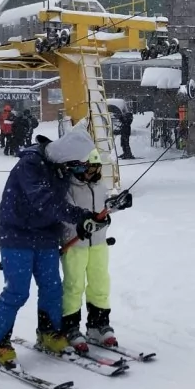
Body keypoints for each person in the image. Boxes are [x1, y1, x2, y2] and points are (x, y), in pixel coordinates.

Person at [0, 128, 109, 366]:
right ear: (66, 157)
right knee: (17, 291)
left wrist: (84, 222)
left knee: (52, 287)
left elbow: (66, 202)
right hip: (16, 232)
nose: (79, 171)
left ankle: (48, 332)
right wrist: (80, 216)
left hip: (47, 233)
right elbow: (45, 201)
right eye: (77, 166)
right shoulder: (31, 165)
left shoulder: (61, 166)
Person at [60, 149, 132, 350]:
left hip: (98, 243)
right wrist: (82, 225)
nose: (92, 173)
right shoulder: (69, 187)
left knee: (100, 283)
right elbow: (66, 215)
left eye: (96, 168)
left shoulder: (99, 186)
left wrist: (116, 205)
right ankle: (70, 327)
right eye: (89, 168)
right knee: (74, 285)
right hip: (75, 244)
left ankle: (98, 325)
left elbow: (103, 209)